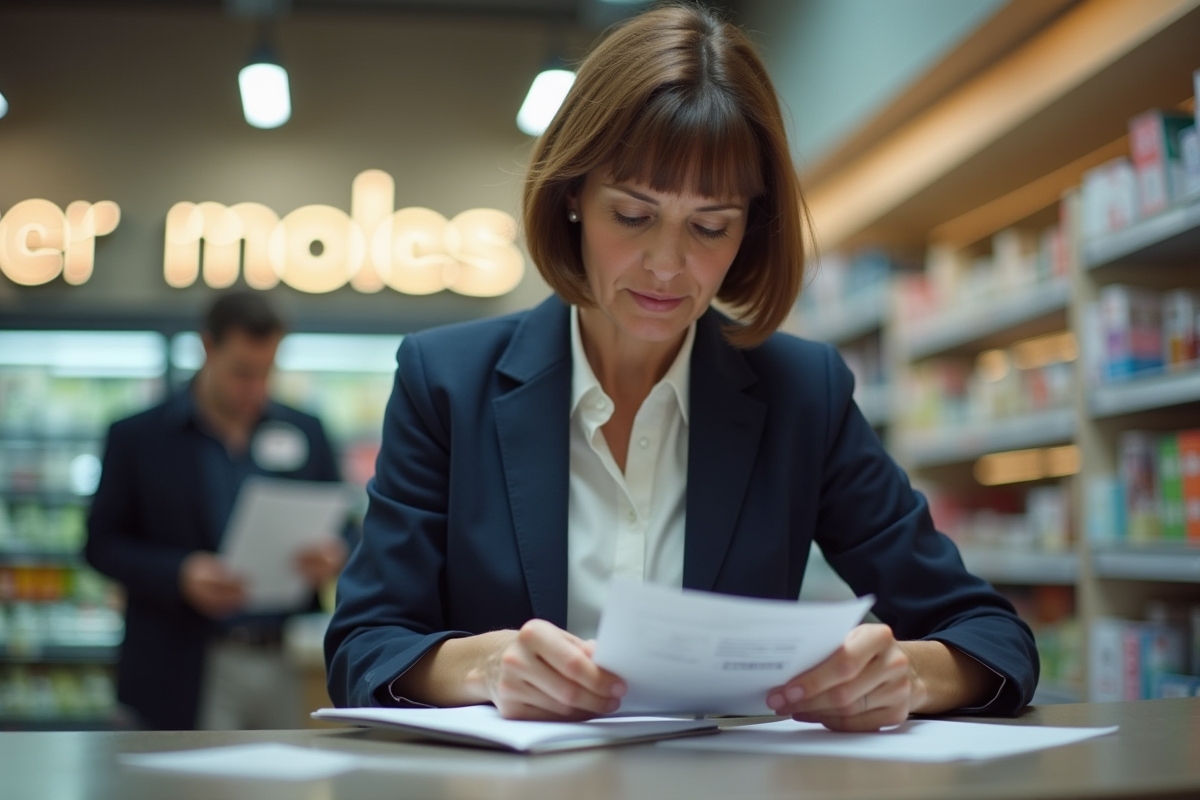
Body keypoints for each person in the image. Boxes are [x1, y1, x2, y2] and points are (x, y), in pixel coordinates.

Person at [325, 4, 1038, 731]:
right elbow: (363, 644)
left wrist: (907, 675)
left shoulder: (804, 394)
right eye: (633, 216)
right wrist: (481, 667)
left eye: (710, 226)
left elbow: (989, 634)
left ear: (750, 228)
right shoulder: (446, 381)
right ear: (573, 197)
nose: (668, 267)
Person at [86, 292, 349, 730]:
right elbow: (101, 544)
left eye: (267, 372)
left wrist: (334, 552)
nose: (256, 389)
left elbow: (347, 528)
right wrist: (180, 574)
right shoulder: (139, 437)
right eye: (243, 373)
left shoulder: (306, 431)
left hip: (289, 659)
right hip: (183, 662)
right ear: (208, 348)